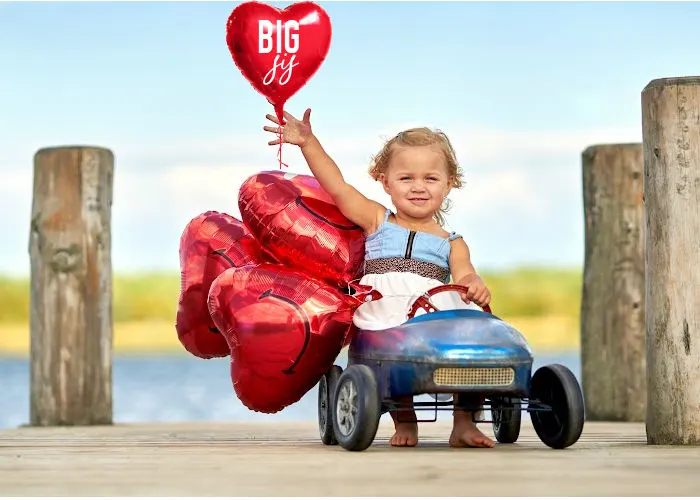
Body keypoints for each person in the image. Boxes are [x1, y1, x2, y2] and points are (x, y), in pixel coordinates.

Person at [264, 109, 494, 449]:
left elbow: (463, 272)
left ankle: (463, 422)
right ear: (385, 181)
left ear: (449, 184)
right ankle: (405, 419)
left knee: (474, 336)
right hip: (388, 304)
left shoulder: (452, 240)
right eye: (406, 178)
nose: (418, 187)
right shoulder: (377, 219)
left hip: (435, 306)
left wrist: (473, 283)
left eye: (430, 179)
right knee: (391, 347)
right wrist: (308, 143)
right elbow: (337, 187)